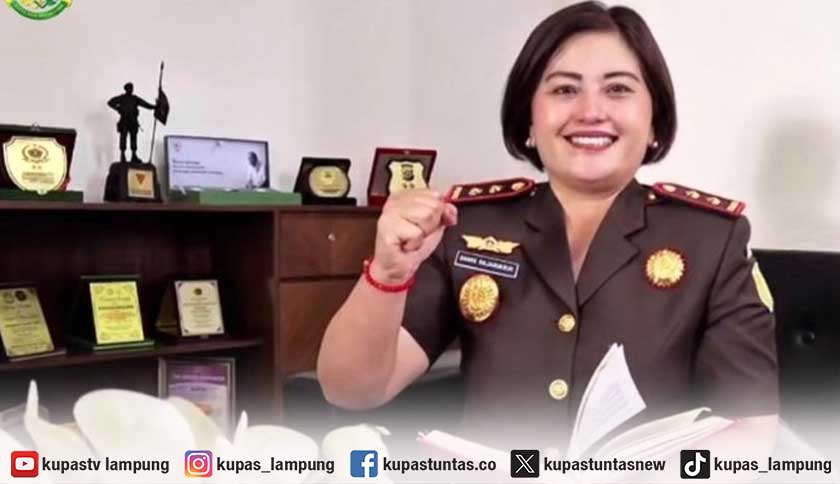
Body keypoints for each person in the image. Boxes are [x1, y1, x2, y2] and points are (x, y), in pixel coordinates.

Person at [317, 1, 778, 454]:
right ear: (529, 123)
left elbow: (750, 436)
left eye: (618, 89)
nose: (590, 111)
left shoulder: (711, 239)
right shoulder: (465, 224)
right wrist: (388, 274)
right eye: (564, 90)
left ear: (654, 120)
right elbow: (352, 390)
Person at [108, 82, 156, 163]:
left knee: (133, 139)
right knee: (123, 138)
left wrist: (154, 107)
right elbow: (110, 102)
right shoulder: (121, 98)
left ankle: (134, 155)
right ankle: (122, 155)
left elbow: (145, 104)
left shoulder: (135, 99)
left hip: (133, 122)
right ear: (126, 89)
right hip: (124, 121)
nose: (131, 89)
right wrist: (118, 109)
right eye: (129, 88)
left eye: (131, 88)